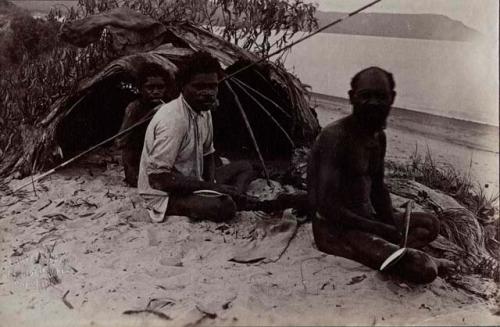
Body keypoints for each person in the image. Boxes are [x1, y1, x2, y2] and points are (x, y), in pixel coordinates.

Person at [307, 66, 453, 284]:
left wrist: (389, 222)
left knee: (430, 224)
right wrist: (380, 228)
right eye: (366, 96)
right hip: (335, 230)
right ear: (352, 98)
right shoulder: (335, 137)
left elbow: (378, 188)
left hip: (367, 218)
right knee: (424, 269)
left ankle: (390, 247)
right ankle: (400, 252)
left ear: (391, 99)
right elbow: (325, 206)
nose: (374, 103)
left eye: (381, 97)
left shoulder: (378, 138)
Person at [138, 51, 260, 223]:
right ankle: (235, 199)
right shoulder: (173, 120)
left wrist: (212, 185)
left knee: (245, 167)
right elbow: (158, 179)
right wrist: (213, 187)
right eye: (199, 86)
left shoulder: (204, 110)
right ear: (182, 86)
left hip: (193, 179)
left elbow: (207, 153)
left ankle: (237, 196)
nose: (208, 93)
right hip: (163, 193)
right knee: (223, 207)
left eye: (212, 86)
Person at [118, 63, 174, 187]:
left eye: (160, 87)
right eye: (150, 87)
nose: (156, 92)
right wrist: (149, 116)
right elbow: (121, 142)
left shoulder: (170, 106)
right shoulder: (134, 108)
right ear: (140, 88)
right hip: (139, 155)